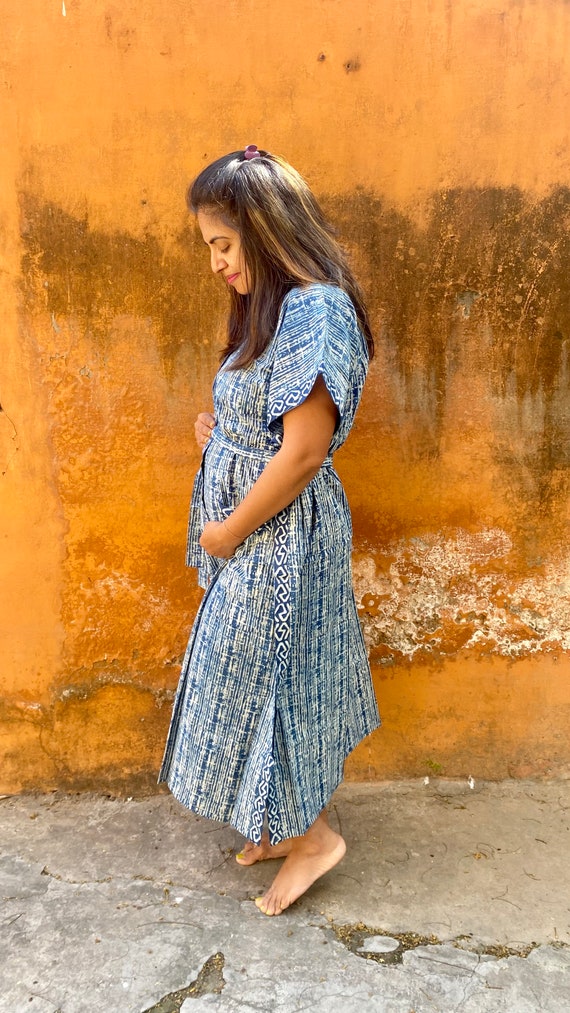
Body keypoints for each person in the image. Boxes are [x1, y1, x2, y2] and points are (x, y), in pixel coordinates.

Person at [159, 144, 381, 916]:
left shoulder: (316, 307)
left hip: (278, 541)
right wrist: (220, 437)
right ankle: (283, 821)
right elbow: (273, 424)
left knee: (265, 682)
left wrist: (223, 534)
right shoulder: (276, 309)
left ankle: (315, 836)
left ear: (263, 225)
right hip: (258, 537)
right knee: (258, 677)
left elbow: (307, 451)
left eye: (223, 243)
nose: (217, 262)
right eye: (210, 247)